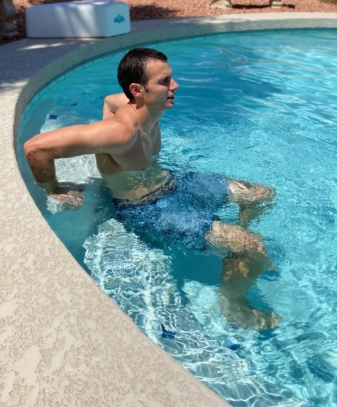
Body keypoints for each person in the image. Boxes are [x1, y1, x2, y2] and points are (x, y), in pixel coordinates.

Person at [24, 48, 281, 330]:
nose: (175, 86)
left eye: (171, 78)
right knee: (251, 244)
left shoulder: (148, 107)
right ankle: (232, 303)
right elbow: (36, 148)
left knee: (261, 193)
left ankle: (240, 256)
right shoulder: (121, 132)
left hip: (177, 185)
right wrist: (53, 188)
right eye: (165, 81)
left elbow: (111, 101)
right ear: (138, 90)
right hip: (147, 207)